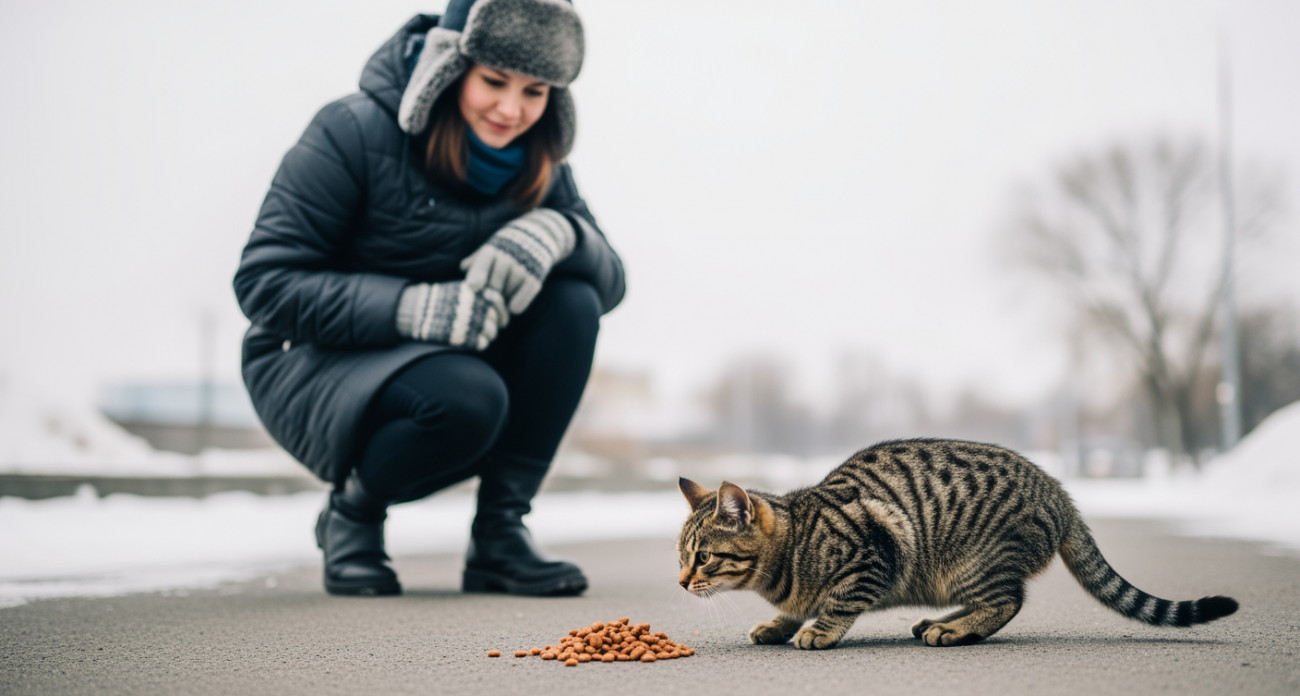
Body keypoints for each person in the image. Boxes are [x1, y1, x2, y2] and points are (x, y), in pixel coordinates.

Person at [232, 0, 624, 598]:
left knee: (571, 299)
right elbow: (264, 284)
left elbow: (611, 285)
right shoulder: (352, 130)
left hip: (456, 357)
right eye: (493, 81)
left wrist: (563, 235)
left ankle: (500, 535)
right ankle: (353, 515)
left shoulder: (542, 163)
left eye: (536, 91)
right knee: (470, 399)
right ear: (450, 66)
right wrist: (412, 307)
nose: (511, 110)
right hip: (315, 360)